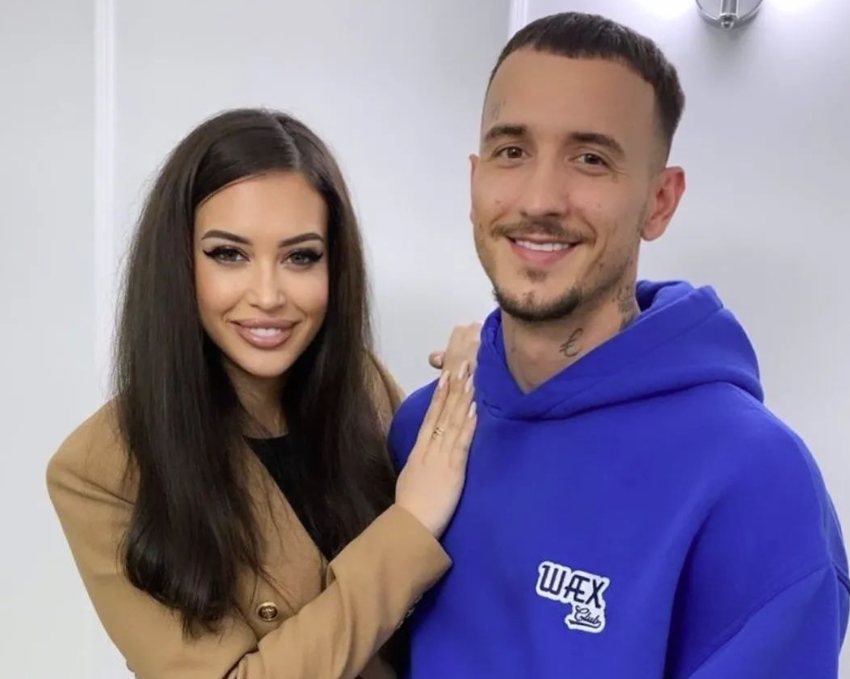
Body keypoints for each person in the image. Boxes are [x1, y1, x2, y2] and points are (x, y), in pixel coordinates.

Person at [389, 12, 849, 678]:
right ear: (474, 180)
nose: (540, 199)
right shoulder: (421, 431)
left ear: (659, 202)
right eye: (512, 151)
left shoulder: (757, 483)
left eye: (591, 159)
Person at [47, 108, 481, 679]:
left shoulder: (363, 387)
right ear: (177, 263)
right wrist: (411, 525)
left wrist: (480, 378)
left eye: (301, 256)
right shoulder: (101, 470)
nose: (269, 295)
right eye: (229, 254)